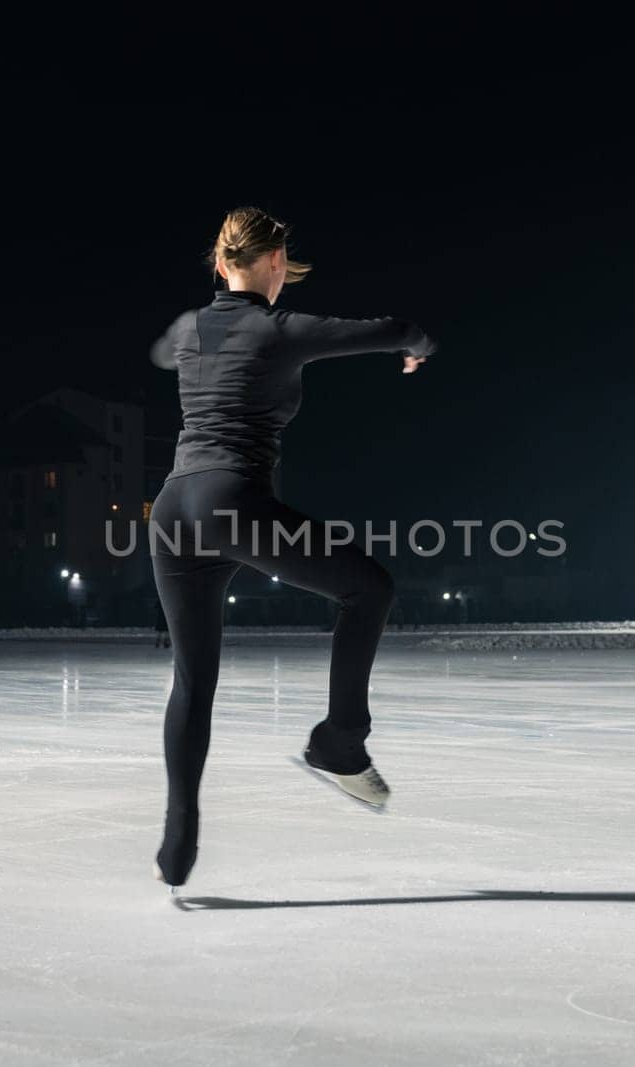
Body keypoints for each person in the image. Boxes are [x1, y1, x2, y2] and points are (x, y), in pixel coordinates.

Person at [145, 206, 436, 887]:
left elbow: (164, 349)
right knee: (369, 589)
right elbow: (391, 329)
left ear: (220, 264)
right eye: (284, 268)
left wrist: (187, 344)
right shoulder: (281, 328)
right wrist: (421, 346)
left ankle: (177, 844)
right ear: (275, 265)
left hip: (171, 511)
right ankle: (339, 742)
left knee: (193, 681)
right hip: (230, 505)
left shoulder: (190, 328)